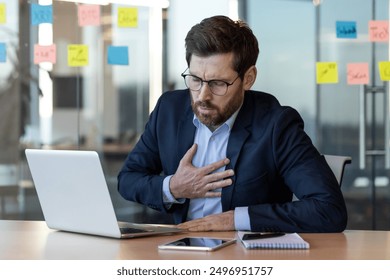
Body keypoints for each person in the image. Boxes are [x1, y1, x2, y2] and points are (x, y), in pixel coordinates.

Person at [117, 15, 348, 233]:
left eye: (218, 83)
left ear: (248, 79)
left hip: (245, 256)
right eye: (195, 80)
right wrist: (173, 187)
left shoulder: (276, 125)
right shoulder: (169, 110)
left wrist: (235, 219)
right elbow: (128, 179)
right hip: (180, 248)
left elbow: (328, 209)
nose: (202, 96)